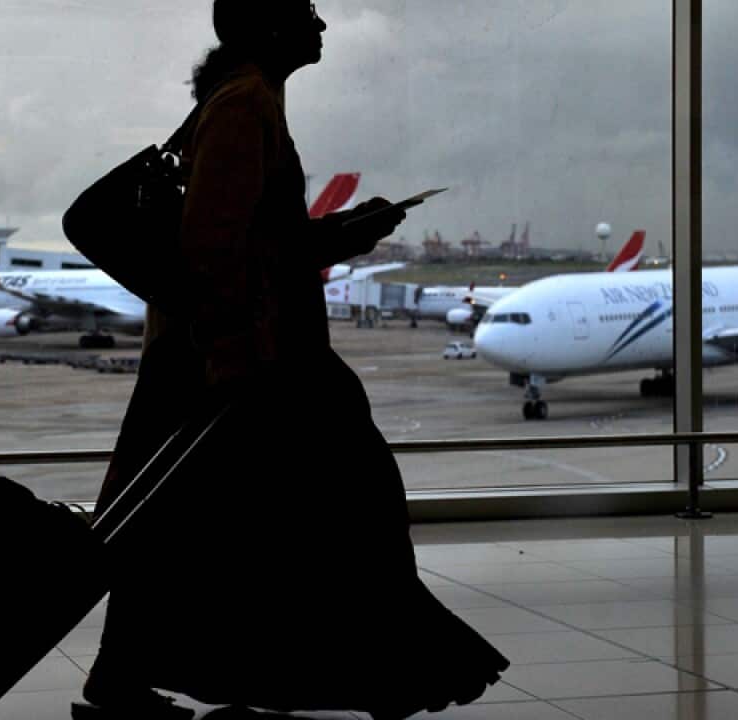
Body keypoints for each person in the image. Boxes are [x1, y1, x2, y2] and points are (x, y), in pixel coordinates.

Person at [76, 2, 510, 718]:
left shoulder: (242, 99)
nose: (322, 25)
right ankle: (382, 669)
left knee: (186, 526)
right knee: (344, 509)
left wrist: (342, 232)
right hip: (246, 361)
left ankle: (135, 673)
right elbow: (214, 249)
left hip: (229, 355)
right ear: (270, 27)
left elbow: (252, 241)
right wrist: (233, 361)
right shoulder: (246, 104)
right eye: (306, 11)